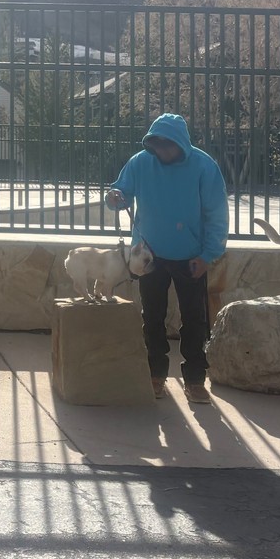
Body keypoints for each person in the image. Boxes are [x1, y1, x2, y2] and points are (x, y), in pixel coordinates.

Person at [105, 113, 229, 404]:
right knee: (152, 318)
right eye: (157, 147)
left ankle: (196, 380)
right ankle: (155, 376)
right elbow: (120, 189)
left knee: (194, 320)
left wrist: (208, 255)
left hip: (191, 257)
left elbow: (217, 214)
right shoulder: (139, 162)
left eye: (167, 146)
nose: (162, 152)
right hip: (149, 256)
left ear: (180, 144)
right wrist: (114, 196)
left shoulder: (203, 166)